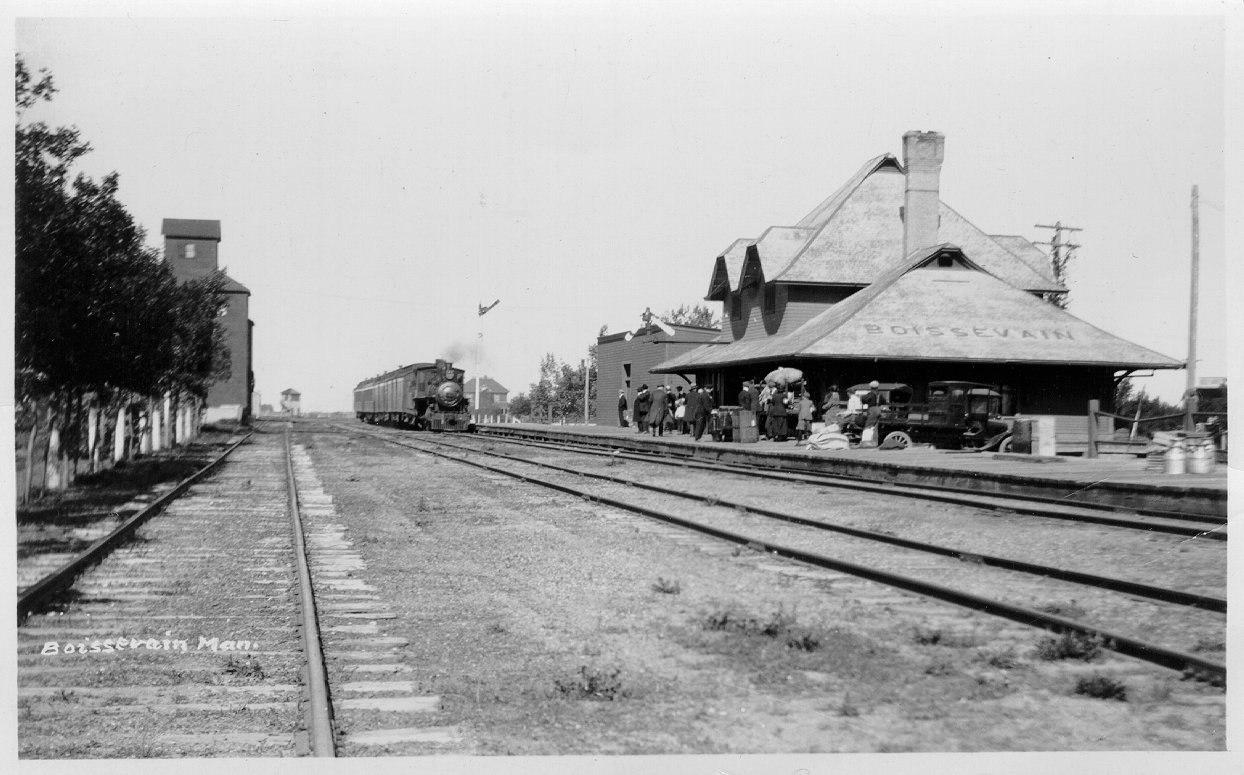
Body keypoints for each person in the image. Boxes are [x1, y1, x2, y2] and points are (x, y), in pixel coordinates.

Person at [861, 380, 886, 445]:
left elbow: (864, 400)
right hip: (878, 410)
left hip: (872, 410)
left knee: (868, 426)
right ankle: (875, 442)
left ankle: (866, 442)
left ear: (871, 387)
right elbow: (884, 401)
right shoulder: (880, 394)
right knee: (875, 427)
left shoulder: (871, 394)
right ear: (877, 387)